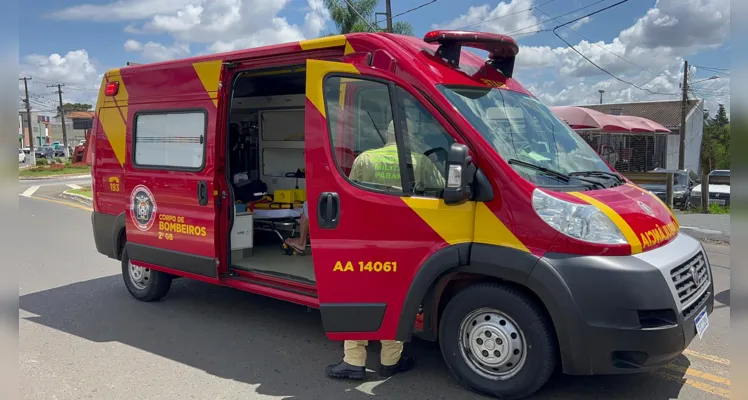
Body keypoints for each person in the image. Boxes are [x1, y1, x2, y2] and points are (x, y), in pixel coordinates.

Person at [325, 119, 444, 380]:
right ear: (410, 137)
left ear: (387, 135)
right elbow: (443, 190)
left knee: (359, 298)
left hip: (366, 242)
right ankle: (391, 360)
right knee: (396, 299)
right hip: (404, 243)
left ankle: (353, 362)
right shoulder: (421, 163)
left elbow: (349, 198)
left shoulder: (365, 159)